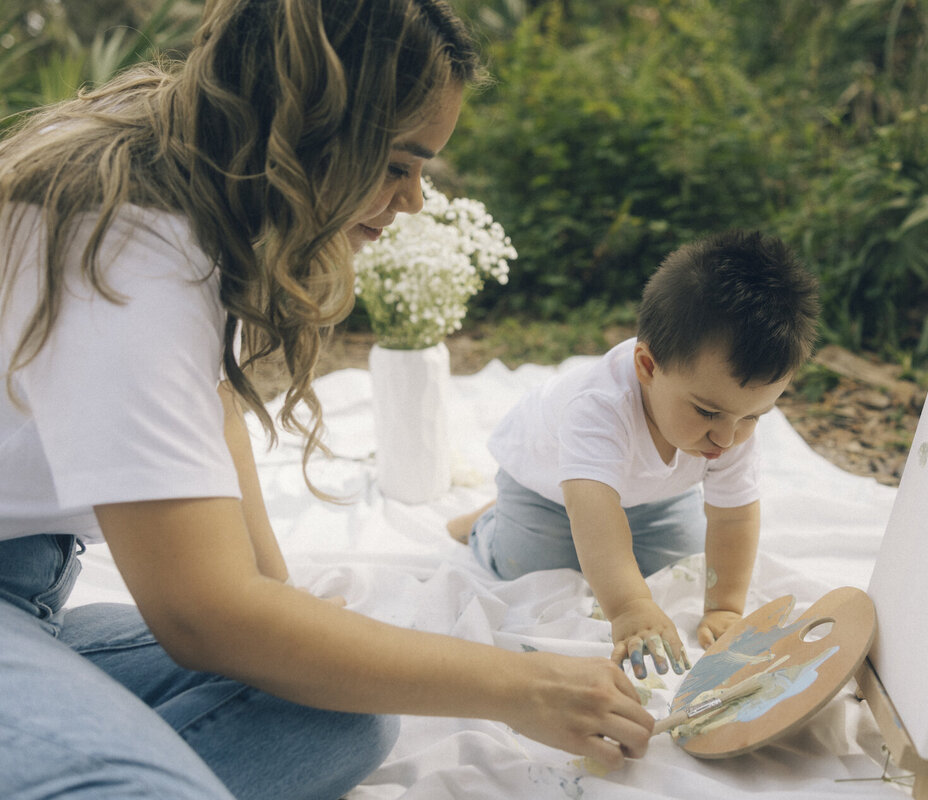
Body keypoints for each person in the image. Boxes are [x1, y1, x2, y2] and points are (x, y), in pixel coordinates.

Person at [0, 1, 653, 797]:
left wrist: (274, 597)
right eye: (397, 165)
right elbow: (201, 613)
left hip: (30, 598)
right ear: (307, 126)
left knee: (338, 709)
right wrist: (520, 687)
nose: (413, 200)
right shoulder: (125, 240)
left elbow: (209, 403)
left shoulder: (195, 183)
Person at [449, 230, 821, 680]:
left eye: (754, 416)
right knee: (530, 566)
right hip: (549, 489)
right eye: (707, 411)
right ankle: (487, 524)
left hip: (648, 494)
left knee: (680, 560)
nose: (726, 438)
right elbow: (594, 513)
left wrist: (724, 606)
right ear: (646, 367)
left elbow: (735, 516)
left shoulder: (731, 420)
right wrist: (630, 607)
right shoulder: (599, 407)